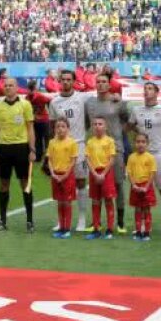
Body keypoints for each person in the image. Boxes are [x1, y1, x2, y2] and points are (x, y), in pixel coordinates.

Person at [128, 81, 161, 237]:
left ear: (157, 93)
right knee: (141, 190)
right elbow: (130, 126)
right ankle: (142, 224)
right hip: (142, 157)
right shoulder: (136, 110)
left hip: (159, 155)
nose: (146, 91)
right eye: (145, 89)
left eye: (150, 89)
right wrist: (140, 134)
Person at [47, 69, 92, 232]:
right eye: (63, 79)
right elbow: (52, 125)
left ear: (74, 81)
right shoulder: (54, 102)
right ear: (59, 81)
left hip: (78, 146)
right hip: (60, 149)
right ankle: (62, 220)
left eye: (68, 79)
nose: (65, 82)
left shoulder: (82, 98)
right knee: (60, 183)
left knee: (80, 182)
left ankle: (81, 218)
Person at [0, 80, 36, 233]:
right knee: (4, 184)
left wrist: (32, 149)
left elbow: (30, 128)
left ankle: (30, 220)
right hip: (4, 149)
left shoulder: (25, 105)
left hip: (21, 148)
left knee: (25, 184)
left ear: (17, 88)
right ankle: (2, 220)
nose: (8, 88)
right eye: (6, 86)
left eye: (11, 85)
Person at [84, 116, 117, 240]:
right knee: (95, 200)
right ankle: (96, 228)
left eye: (100, 124)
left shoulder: (109, 141)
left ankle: (109, 229)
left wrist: (103, 174)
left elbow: (112, 159)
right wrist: (94, 173)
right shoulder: (90, 142)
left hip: (106, 173)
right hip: (94, 173)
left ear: (105, 126)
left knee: (108, 199)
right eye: (95, 124)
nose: (97, 126)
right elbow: (87, 158)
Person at [47, 118, 79, 239]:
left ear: (67, 129)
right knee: (60, 202)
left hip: (67, 176)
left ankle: (67, 228)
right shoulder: (52, 143)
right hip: (56, 175)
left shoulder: (71, 143)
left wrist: (65, 175)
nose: (60, 129)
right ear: (54, 129)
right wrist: (53, 174)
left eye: (63, 126)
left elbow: (73, 160)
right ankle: (61, 227)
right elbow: (49, 159)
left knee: (67, 202)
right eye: (58, 127)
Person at [127, 132, 158, 241]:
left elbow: (152, 173)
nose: (140, 144)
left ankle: (147, 232)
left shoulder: (150, 157)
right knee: (137, 209)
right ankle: (138, 231)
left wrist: (146, 187)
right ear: (134, 143)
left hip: (146, 186)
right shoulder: (131, 157)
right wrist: (134, 185)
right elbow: (129, 173)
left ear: (147, 144)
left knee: (146, 209)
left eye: (143, 142)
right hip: (135, 187)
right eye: (138, 142)